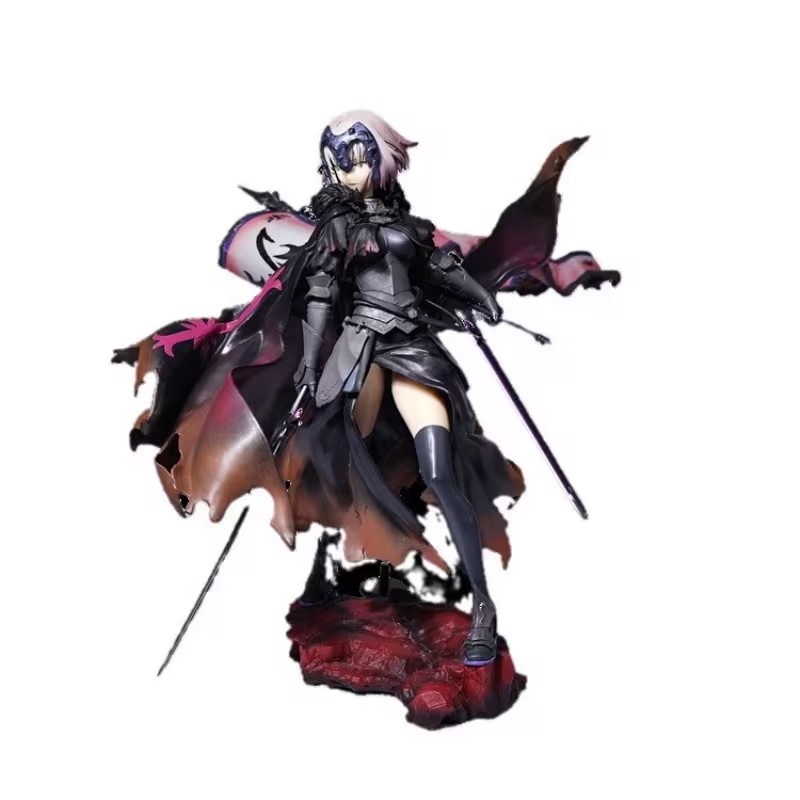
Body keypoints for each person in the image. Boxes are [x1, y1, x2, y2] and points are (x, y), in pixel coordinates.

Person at [113, 109, 620, 667]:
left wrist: (481, 298)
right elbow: (320, 300)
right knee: (335, 451)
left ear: (381, 159)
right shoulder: (333, 229)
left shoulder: (408, 224)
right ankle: (351, 560)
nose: (345, 170)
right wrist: (309, 370)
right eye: (337, 160)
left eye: (356, 157)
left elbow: (440, 268)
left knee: (440, 470)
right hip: (357, 349)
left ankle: (482, 605)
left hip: (411, 349)